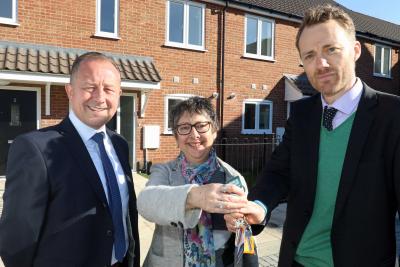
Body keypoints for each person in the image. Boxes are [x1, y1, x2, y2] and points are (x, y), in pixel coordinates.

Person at [225, 4, 400, 267]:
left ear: (355, 51)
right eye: (309, 55)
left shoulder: (392, 116)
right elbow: (278, 172)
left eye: (331, 49)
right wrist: (259, 207)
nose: (321, 63)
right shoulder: (302, 113)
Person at [0, 52, 140, 267]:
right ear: (70, 91)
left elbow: (125, 215)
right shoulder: (35, 148)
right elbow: (17, 240)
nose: (100, 97)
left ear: (119, 94)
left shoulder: (120, 145)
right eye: (89, 87)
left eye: (109, 89)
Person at [137, 97, 256, 267]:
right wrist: (195, 197)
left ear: (214, 131)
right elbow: (146, 203)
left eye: (201, 126)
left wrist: (240, 222)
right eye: (184, 128)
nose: (194, 135)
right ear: (176, 138)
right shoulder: (164, 171)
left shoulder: (233, 179)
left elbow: (243, 238)